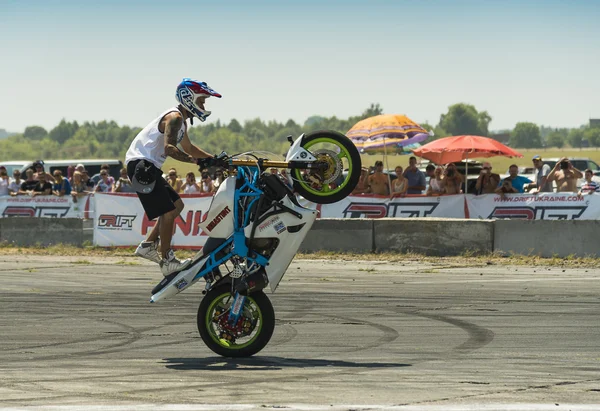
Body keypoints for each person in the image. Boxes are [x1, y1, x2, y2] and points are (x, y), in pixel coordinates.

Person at [125, 78, 221, 277]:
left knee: (177, 206)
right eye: (202, 100)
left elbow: (189, 148)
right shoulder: (175, 118)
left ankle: (148, 245)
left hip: (146, 165)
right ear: (189, 98)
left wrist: (214, 159)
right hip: (142, 165)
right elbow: (170, 149)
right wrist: (197, 163)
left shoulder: (182, 122)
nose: (203, 105)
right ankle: (167, 260)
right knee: (168, 212)